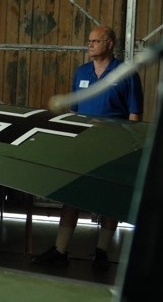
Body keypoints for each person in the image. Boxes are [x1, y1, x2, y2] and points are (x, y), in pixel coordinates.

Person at [32, 25, 143, 270]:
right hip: (83, 147)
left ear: (110, 43)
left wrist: (130, 150)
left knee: (110, 200)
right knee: (71, 196)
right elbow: (73, 111)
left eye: (95, 41)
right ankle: (60, 250)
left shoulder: (126, 74)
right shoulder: (81, 72)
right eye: (89, 41)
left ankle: (101, 252)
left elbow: (135, 116)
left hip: (113, 149)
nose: (90, 45)